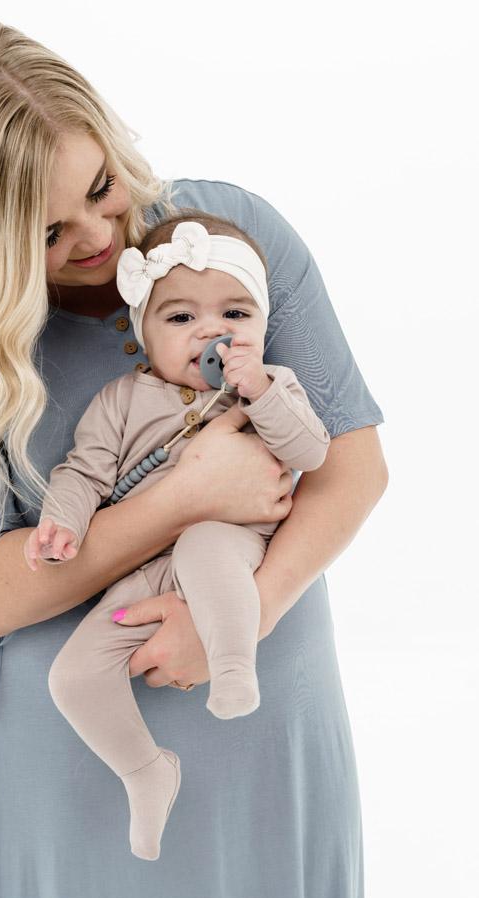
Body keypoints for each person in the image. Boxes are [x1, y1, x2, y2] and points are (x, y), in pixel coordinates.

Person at [0, 19, 388, 898]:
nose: (97, 237)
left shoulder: (227, 239)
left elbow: (353, 466)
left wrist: (247, 613)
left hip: (270, 724)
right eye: (45, 232)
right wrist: (184, 496)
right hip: (83, 773)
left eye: (98, 188)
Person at [27, 216, 331, 861]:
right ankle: (146, 772)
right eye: (181, 317)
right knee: (73, 676)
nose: (212, 331)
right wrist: (63, 521)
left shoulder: (272, 388)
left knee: (203, 547)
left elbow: (310, 451)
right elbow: (84, 472)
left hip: (232, 544)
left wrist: (259, 390)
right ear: (144, 332)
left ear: (262, 325)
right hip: (146, 570)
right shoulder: (121, 401)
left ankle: (233, 665)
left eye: (235, 313)